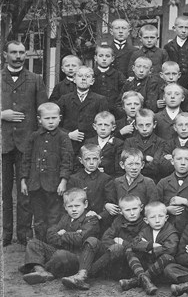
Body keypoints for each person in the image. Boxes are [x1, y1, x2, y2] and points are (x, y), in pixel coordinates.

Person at [2, 40, 48, 246]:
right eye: (14, 52)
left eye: (22, 52)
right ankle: (5, 233)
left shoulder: (36, 80)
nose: (18, 56)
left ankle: (23, 233)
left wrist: (37, 141)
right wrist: (2, 114)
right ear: (5, 55)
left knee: (25, 192)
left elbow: (44, 111)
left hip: (26, 144)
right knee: (3, 191)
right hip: (3, 143)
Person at [60, 194, 146, 290]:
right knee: (92, 240)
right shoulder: (118, 220)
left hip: (127, 264)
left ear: (141, 208)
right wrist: (116, 245)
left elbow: (138, 245)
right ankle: (81, 275)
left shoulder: (145, 224)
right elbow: (105, 238)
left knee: (117, 248)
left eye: (134, 209)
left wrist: (122, 243)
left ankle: (87, 273)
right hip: (110, 259)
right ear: (121, 211)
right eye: (127, 210)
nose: (132, 213)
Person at [19, 188, 99, 285]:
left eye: (77, 206)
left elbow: (80, 239)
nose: (74, 209)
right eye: (70, 206)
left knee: (60, 255)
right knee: (33, 243)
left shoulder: (91, 219)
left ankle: (39, 267)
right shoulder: (66, 218)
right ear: (65, 207)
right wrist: (70, 235)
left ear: (85, 204)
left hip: (78, 259)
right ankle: (40, 271)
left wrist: (63, 234)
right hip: (62, 252)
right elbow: (50, 234)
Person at [20, 102, 73, 241]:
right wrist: (23, 180)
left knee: (54, 217)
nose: (51, 121)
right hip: (35, 185)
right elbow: (26, 159)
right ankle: (39, 244)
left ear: (60, 118)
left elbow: (67, 160)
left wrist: (63, 181)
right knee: (38, 218)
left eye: (54, 118)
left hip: (54, 185)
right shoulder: (34, 136)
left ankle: (52, 244)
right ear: (39, 120)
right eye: (47, 118)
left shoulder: (63, 137)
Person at [119, 201, 179, 295]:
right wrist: (151, 246)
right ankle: (145, 279)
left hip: (161, 268)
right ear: (146, 220)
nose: (157, 220)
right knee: (129, 250)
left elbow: (170, 249)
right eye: (152, 217)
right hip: (147, 264)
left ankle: (139, 280)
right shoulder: (146, 230)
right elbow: (134, 244)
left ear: (166, 218)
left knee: (168, 257)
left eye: (160, 216)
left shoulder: (171, 231)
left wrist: (148, 249)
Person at [57, 66, 109, 153]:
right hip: (69, 144)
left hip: (91, 145)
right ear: (74, 79)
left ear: (92, 81)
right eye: (80, 76)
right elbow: (57, 123)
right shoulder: (64, 99)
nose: (83, 79)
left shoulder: (100, 100)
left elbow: (104, 123)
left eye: (87, 76)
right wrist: (68, 134)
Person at [157, 147, 188, 233]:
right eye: (179, 159)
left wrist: (185, 201)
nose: (183, 163)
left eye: (187, 159)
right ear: (172, 161)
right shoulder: (163, 182)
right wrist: (166, 209)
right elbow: (154, 204)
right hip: (168, 229)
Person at [67, 144, 114, 233]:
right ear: (81, 160)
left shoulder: (106, 179)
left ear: (100, 160)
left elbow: (110, 203)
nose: (91, 162)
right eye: (87, 159)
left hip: (99, 221)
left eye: (95, 159)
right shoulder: (74, 179)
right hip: (78, 221)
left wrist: (99, 216)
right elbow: (69, 202)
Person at [123, 109, 167, 182]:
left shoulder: (161, 142)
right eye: (140, 125)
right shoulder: (129, 142)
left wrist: (136, 162)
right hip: (132, 180)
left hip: (153, 180)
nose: (144, 129)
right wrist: (146, 158)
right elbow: (126, 163)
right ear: (135, 126)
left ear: (154, 125)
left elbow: (156, 166)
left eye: (148, 125)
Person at [162, 112, 188, 180]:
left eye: (187, 125)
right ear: (175, 127)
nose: (184, 128)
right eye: (180, 125)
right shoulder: (169, 144)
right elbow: (164, 164)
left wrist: (174, 160)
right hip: (172, 179)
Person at [84, 111, 124, 177]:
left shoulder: (118, 144)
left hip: (110, 178)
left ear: (113, 127)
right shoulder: (89, 142)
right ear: (94, 126)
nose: (103, 128)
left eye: (106, 125)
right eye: (100, 125)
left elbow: (118, 168)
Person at [91, 45, 126, 117]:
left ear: (112, 59)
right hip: (93, 110)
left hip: (113, 111)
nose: (104, 59)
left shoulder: (118, 75)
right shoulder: (90, 74)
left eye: (107, 56)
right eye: (100, 56)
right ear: (95, 58)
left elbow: (123, 92)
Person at [164, 15, 188, 88]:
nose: (183, 31)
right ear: (174, 28)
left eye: (187, 28)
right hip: (173, 81)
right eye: (180, 27)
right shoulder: (168, 47)